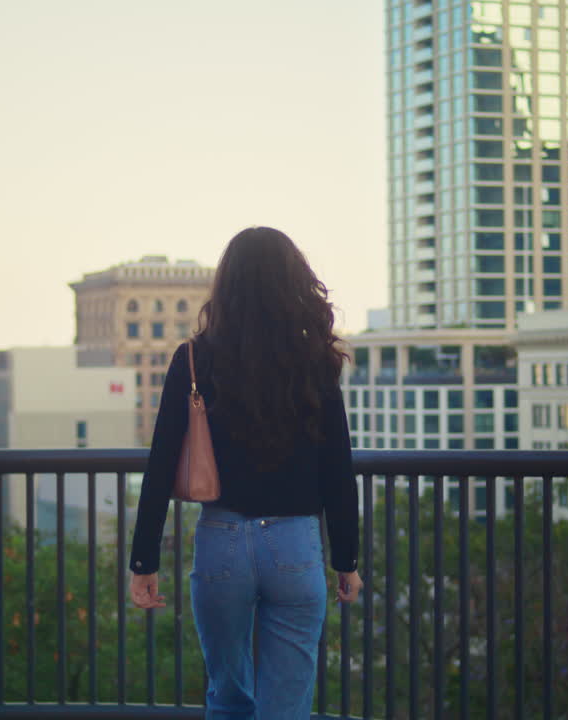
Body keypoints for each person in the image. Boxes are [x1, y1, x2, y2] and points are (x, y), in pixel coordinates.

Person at [128, 226, 362, 719]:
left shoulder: (194, 358)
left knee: (228, 699)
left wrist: (143, 561)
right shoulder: (315, 361)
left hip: (222, 540)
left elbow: (161, 463)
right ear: (293, 282)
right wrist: (347, 558)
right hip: (296, 545)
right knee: (287, 708)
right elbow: (338, 468)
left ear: (226, 286)